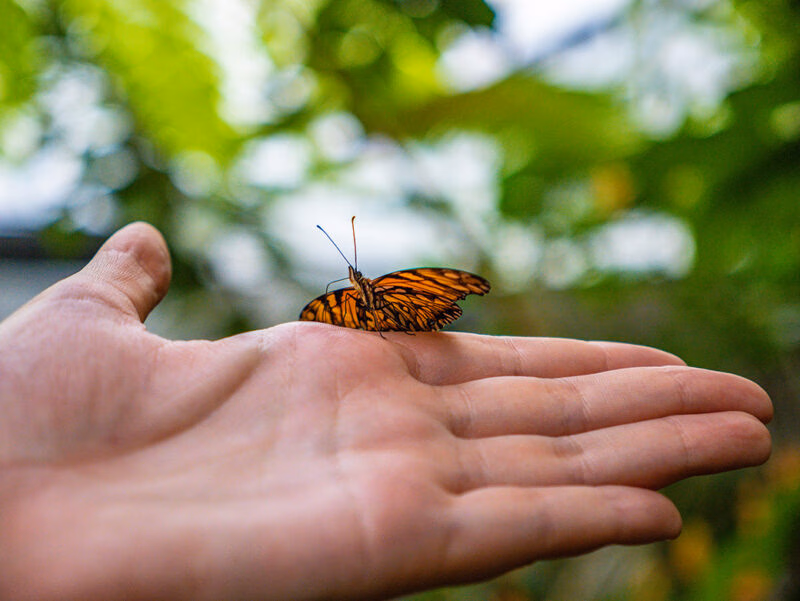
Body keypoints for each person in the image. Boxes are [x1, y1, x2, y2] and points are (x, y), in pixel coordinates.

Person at [0, 222, 772, 600]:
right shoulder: (332, 306)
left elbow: (426, 292)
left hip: (401, 324)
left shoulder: (389, 291)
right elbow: (326, 313)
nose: (357, 284)